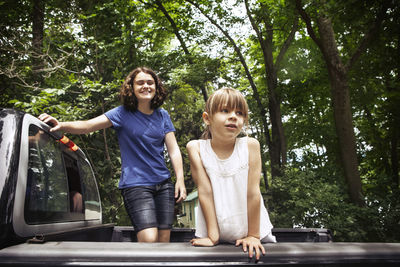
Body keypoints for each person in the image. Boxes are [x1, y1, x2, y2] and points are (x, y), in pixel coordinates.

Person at [39, 66, 186, 242]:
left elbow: (173, 150)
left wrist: (180, 180)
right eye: (140, 83)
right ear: (131, 87)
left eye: (150, 82)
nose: (146, 86)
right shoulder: (121, 113)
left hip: (164, 185)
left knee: (163, 241)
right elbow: (88, 126)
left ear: (156, 87)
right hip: (136, 185)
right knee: (149, 241)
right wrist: (62, 125)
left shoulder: (163, 115)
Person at [186, 88, 276, 260]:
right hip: (216, 232)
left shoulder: (250, 146)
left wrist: (253, 235)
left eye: (240, 113)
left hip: (252, 231)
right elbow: (205, 192)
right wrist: (213, 237)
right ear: (207, 118)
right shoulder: (196, 148)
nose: (234, 116)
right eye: (225, 111)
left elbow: (252, 193)